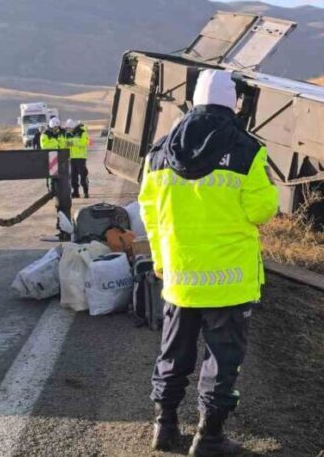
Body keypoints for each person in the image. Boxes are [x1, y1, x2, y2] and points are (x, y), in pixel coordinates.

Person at [138, 69, 278, 456]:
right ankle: (209, 438)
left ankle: (164, 428)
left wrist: (161, 259)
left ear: (194, 101)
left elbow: (149, 211)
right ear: (233, 103)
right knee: (222, 360)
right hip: (230, 281)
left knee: (173, 354)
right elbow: (262, 210)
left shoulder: (160, 151)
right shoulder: (248, 149)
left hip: (181, 277)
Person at [65, 119, 90, 199]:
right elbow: (66, 144)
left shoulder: (82, 132)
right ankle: (75, 192)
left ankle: (86, 192)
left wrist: (72, 142)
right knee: (73, 176)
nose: (67, 129)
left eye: (68, 128)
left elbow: (84, 143)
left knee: (83, 176)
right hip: (72, 158)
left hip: (81, 157)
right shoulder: (68, 134)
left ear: (72, 127)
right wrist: (74, 143)